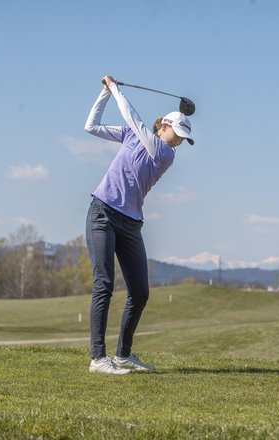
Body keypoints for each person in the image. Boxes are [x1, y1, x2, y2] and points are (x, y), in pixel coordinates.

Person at [83, 75, 194, 374]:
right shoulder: (134, 136)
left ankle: (123, 355)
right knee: (104, 283)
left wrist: (117, 89)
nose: (180, 141)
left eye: (184, 137)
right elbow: (91, 126)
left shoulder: (166, 154)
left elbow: (135, 121)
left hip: (131, 224)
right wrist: (105, 93)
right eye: (178, 133)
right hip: (102, 213)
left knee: (140, 292)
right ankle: (98, 359)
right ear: (165, 126)